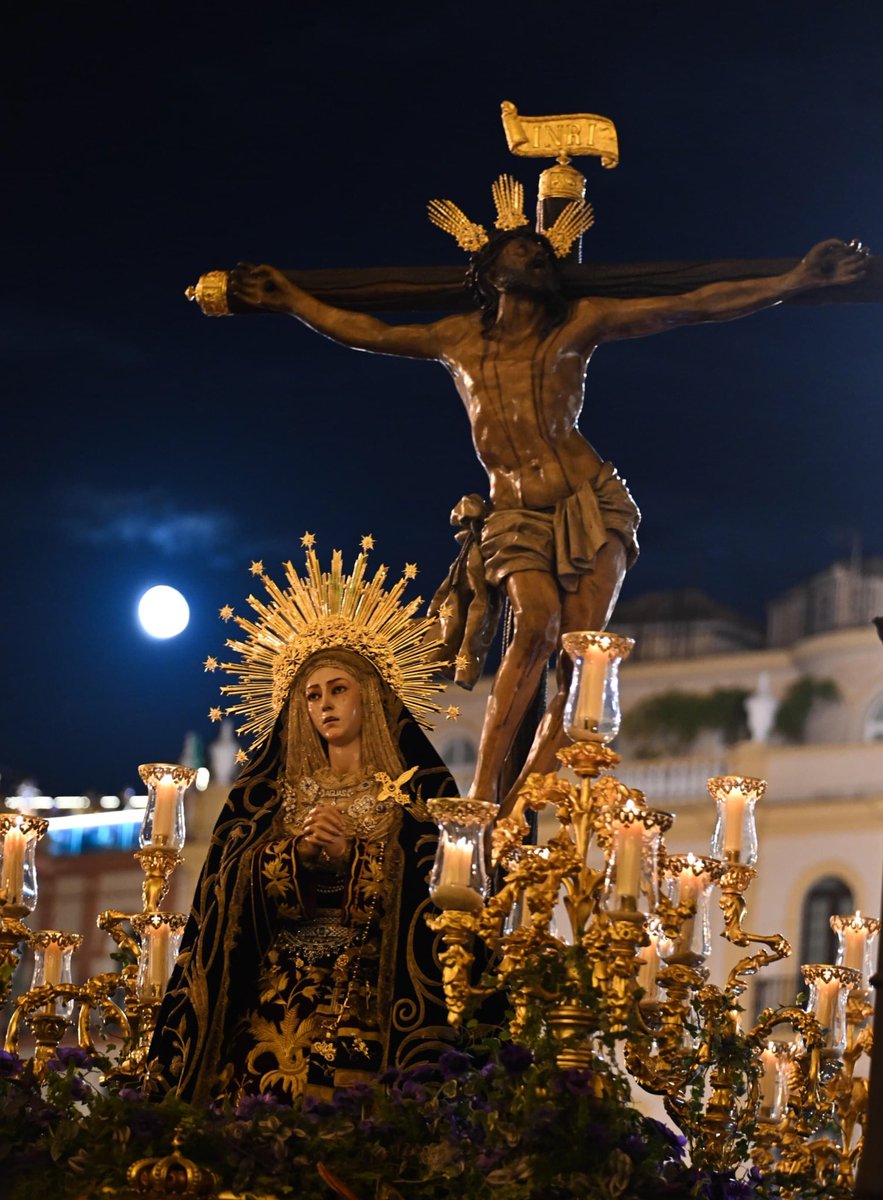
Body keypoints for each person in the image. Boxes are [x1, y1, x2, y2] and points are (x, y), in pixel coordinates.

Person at [228, 231, 868, 815]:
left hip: (591, 503)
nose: (540, 256)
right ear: (491, 270)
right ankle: (482, 792)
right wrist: (288, 298)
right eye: (523, 249)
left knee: (579, 665)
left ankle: (519, 811)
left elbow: (693, 302)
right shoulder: (458, 340)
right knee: (535, 623)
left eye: (546, 252)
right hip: (513, 512)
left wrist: (794, 281)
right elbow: (365, 328)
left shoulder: (580, 325)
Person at [146, 549, 460, 1104]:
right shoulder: (272, 798)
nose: (325, 706)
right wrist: (292, 857)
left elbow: (438, 894)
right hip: (271, 1005)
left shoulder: (415, 798)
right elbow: (225, 892)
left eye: (338, 689)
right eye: (312, 696)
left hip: (370, 1001)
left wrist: (354, 859)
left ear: (372, 694)